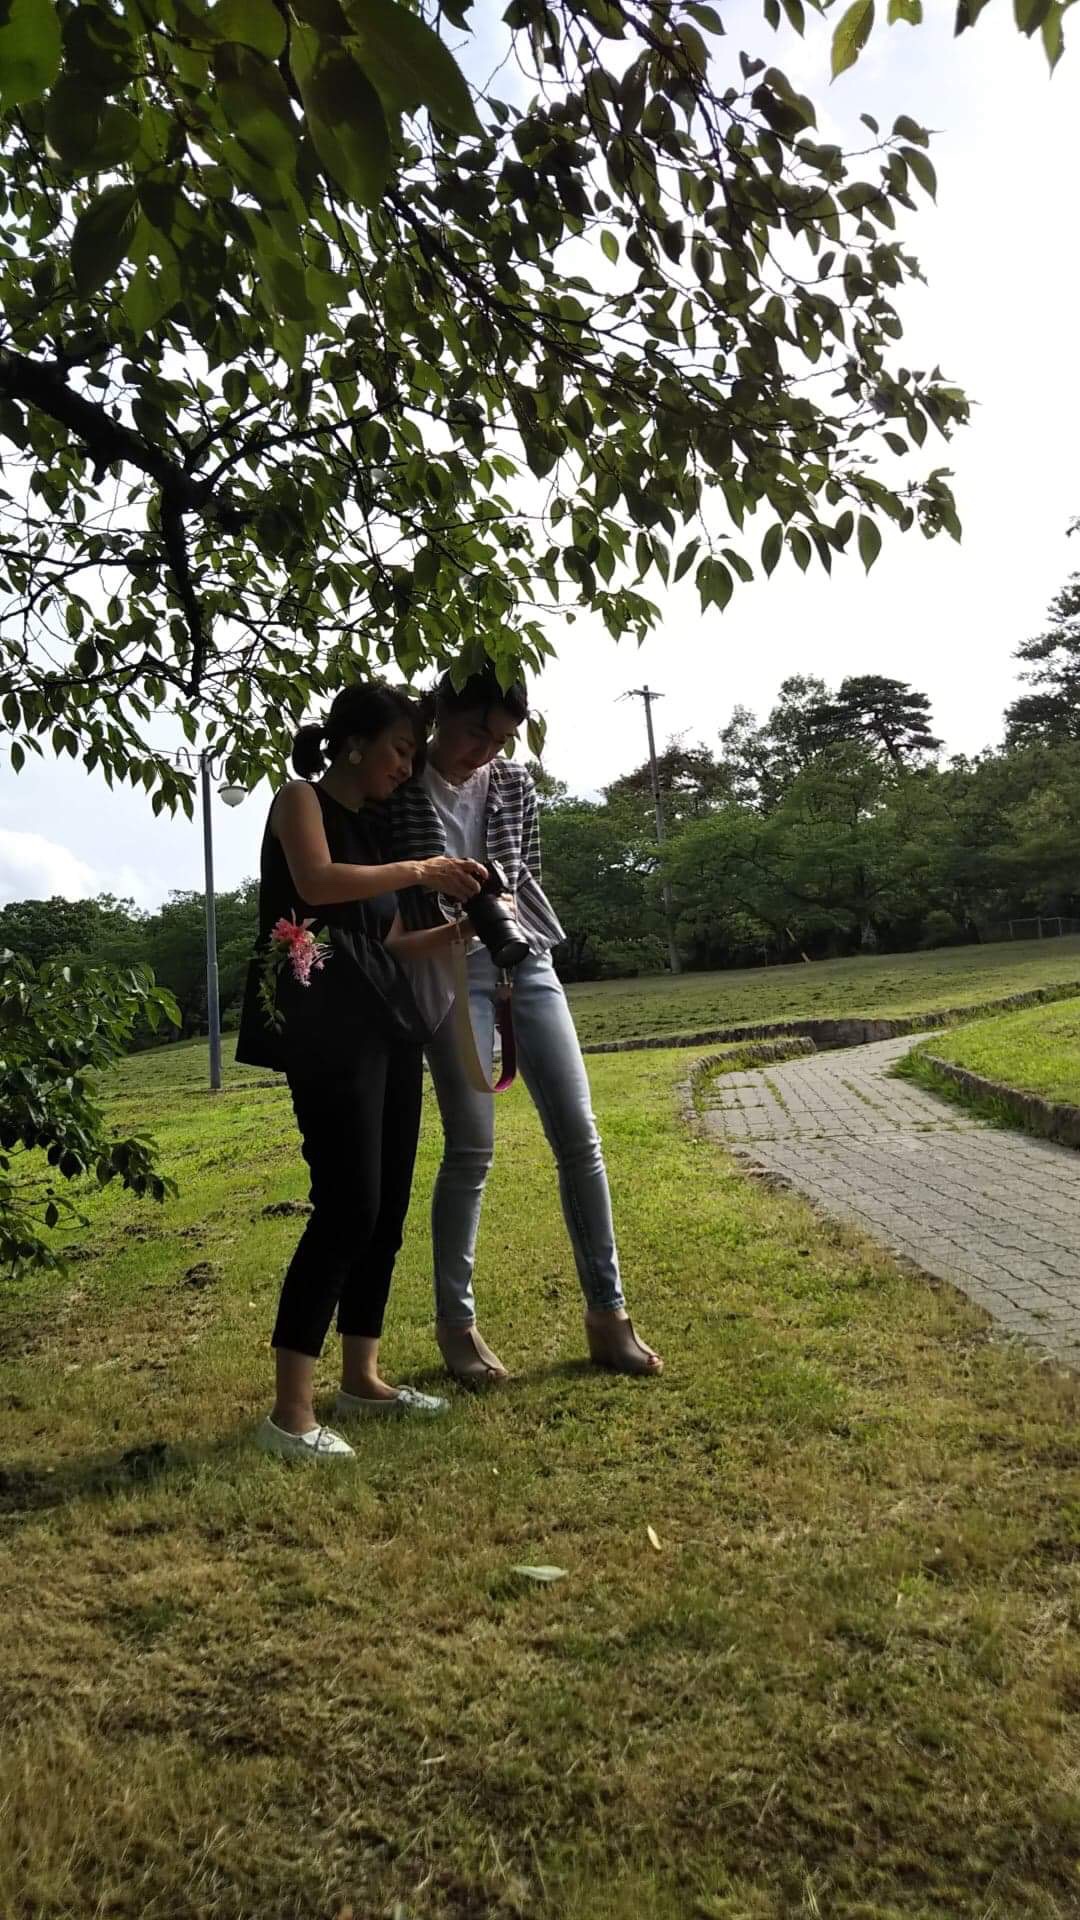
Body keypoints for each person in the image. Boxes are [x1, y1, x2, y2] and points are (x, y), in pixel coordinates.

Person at [382, 666, 663, 1386]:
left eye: (501, 738)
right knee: (472, 1148)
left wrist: (506, 916)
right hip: (445, 968)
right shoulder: (399, 783)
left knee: (579, 1135)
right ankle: (457, 1326)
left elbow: (526, 868)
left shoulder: (512, 783)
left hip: (525, 959)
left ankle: (609, 1316)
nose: (485, 750)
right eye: (475, 731)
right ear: (441, 714)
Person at [235, 682, 485, 1461]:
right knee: (347, 1205)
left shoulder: (377, 835)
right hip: (321, 1017)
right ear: (353, 744)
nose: (406, 767)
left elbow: (387, 942)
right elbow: (315, 884)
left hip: (384, 1014)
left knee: (387, 1206)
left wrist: (464, 931)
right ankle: (290, 1414)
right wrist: (420, 869)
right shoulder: (300, 800)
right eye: (400, 749)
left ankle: (362, 1379)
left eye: (412, 755)